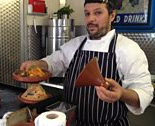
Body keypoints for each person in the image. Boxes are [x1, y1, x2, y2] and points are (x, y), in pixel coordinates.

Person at [20, 0, 154, 125]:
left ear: (112, 16)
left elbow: (145, 92)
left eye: (98, 13)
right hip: (73, 122)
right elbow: (53, 62)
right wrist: (37, 64)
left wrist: (122, 94)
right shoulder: (75, 45)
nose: (91, 19)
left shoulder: (128, 48)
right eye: (87, 14)